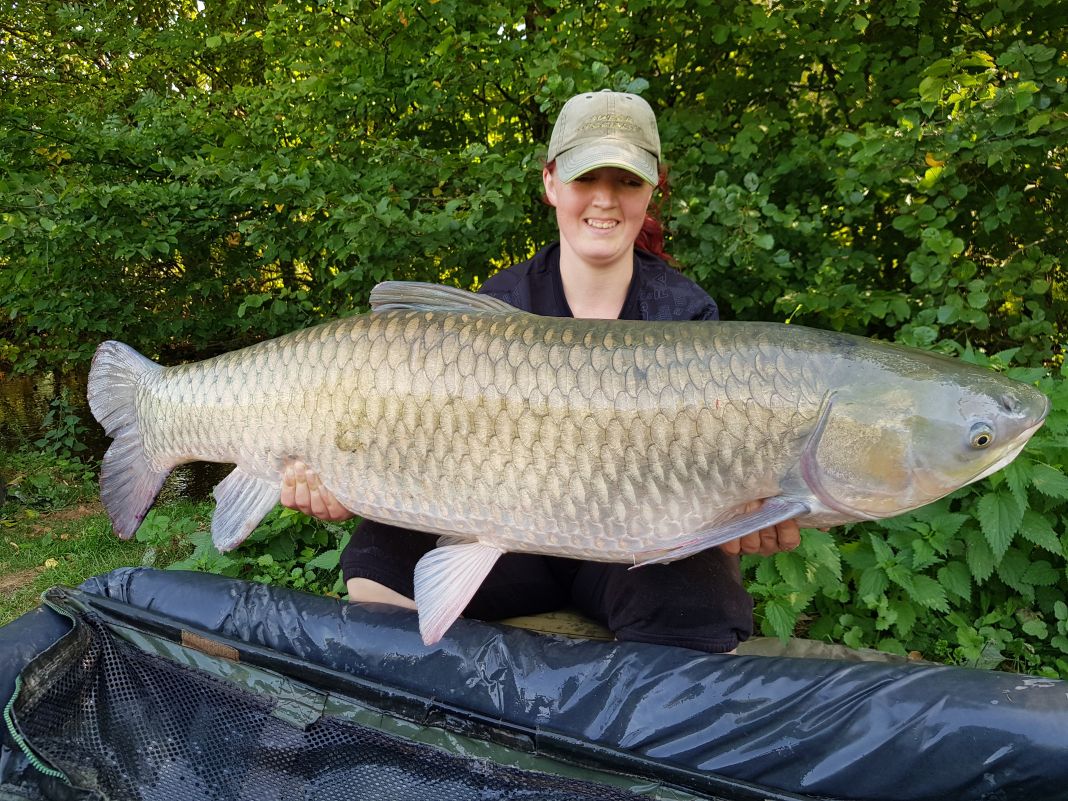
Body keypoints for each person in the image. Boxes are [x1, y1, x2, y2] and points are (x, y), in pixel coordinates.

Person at [281, 90, 801, 653]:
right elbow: (422, 440)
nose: (605, 199)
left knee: (701, 605)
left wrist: (748, 514)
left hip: (630, 546)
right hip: (500, 537)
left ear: (652, 190)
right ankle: (430, 701)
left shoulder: (685, 313)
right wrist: (347, 478)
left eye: (627, 181)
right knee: (375, 558)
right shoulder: (502, 302)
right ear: (551, 183)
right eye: (585, 178)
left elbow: (710, 478)